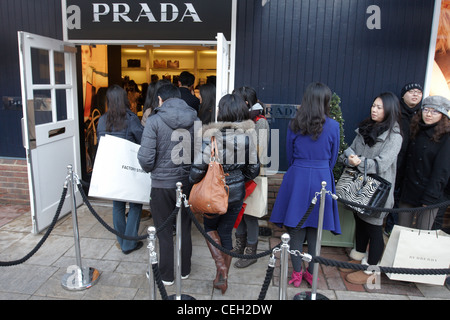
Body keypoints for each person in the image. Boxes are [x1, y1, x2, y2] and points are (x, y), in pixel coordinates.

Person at [270, 82, 341, 287]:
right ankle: (312, 273)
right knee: (315, 230)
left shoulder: (294, 124)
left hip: (298, 176)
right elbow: (333, 158)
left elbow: (289, 155)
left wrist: (301, 167)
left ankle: (297, 273)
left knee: (295, 229)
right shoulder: (334, 126)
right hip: (322, 177)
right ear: (325, 101)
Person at [189, 93, 260, 294]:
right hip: (236, 194)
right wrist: (238, 180)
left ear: (222, 112)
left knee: (210, 229)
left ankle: (221, 269)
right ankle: (223, 277)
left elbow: (197, 168)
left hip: (212, 193)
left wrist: (192, 182)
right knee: (226, 232)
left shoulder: (212, 136)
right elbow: (254, 169)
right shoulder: (248, 138)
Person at [339, 92, 403, 285]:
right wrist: (349, 158)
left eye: (379, 107)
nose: (374, 110)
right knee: (360, 221)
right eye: (373, 106)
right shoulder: (364, 130)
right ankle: (357, 257)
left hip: (377, 192)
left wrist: (359, 161)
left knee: (374, 229)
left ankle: (372, 270)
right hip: (359, 187)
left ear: (389, 110)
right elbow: (349, 151)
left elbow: (382, 164)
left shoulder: (394, 136)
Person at [137, 83, 198, 285]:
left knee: (163, 229)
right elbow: (200, 156)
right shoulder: (195, 120)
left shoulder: (154, 121)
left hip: (162, 185)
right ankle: (184, 270)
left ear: (160, 99)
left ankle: (166, 275)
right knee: (185, 227)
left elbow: (145, 159)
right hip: (187, 183)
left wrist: (154, 169)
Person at [96, 85, 144, 254]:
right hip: (129, 168)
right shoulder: (131, 119)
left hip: (111, 169)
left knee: (117, 205)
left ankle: (122, 240)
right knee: (136, 204)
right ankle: (129, 243)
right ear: (124, 99)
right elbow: (142, 140)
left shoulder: (102, 120)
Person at [398, 95, 450, 230]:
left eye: (435, 111)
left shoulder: (446, 137)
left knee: (423, 234)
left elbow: (442, 170)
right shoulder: (416, 129)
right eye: (426, 110)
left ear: (443, 114)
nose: (429, 114)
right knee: (403, 231)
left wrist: (430, 198)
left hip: (430, 193)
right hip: (409, 190)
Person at [232, 86, 270, 268]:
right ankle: (239, 246)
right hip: (239, 172)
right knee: (239, 211)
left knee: (251, 214)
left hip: (252, 174)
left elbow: (260, 152)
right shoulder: (240, 119)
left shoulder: (260, 121)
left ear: (246, 103)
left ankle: (250, 252)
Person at [385, 83, 424, 236]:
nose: (415, 94)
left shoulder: (422, 116)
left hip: (411, 169)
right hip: (393, 164)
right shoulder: (395, 113)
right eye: (411, 91)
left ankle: (392, 231)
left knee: (400, 202)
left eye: (418, 92)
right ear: (403, 95)